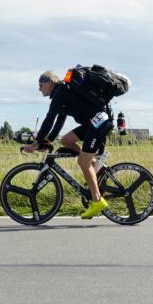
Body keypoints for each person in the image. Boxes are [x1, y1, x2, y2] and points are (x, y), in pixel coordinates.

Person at [22, 71, 113, 219]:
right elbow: (58, 123)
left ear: (50, 83)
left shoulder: (61, 92)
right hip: (94, 122)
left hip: (99, 122)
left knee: (83, 162)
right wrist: (47, 142)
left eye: (41, 85)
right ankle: (97, 165)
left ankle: (97, 201)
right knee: (66, 141)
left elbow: (49, 119)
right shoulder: (63, 93)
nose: (39, 89)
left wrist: (37, 142)